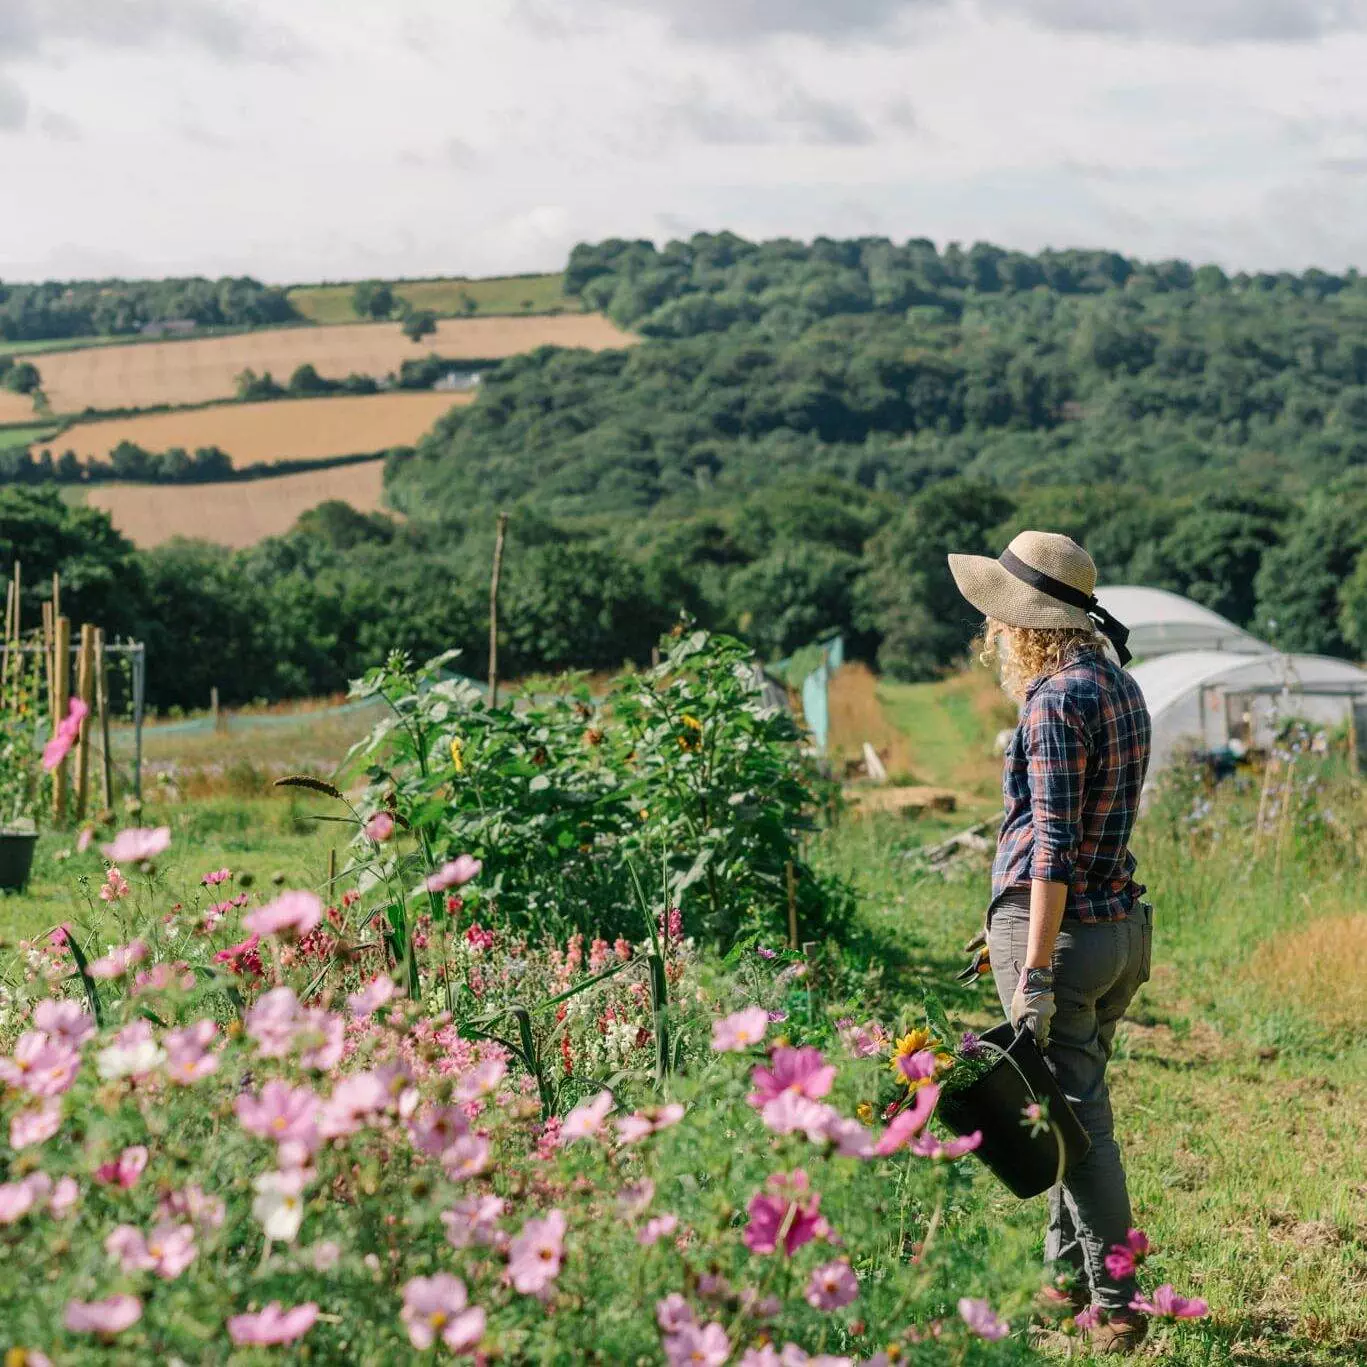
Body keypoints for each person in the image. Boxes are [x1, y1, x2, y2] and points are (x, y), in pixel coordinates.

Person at [947, 530, 1154, 1355]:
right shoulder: (1117, 684)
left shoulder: (1051, 701)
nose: (991, 633)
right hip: (1119, 930)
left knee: (1075, 1123)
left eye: (997, 618)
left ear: (1020, 624)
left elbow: (1056, 843)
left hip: (1062, 937)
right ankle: (1063, 1282)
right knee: (1066, 1102)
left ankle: (1118, 1303)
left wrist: (1029, 965)